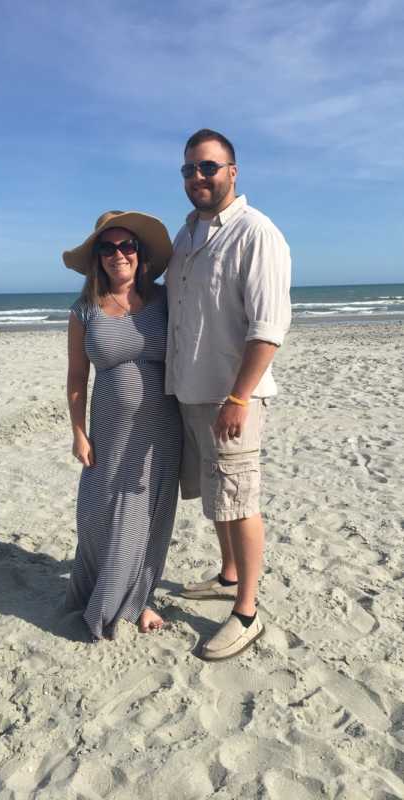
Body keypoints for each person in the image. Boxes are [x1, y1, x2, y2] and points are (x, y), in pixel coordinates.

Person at [165, 129, 291, 660]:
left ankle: (246, 612)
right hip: (189, 393)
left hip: (231, 397)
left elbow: (268, 327)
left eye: (208, 167)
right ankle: (228, 575)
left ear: (232, 171)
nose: (198, 177)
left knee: (241, 502)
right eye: (190, 169)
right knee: (217, 499)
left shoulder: (255, 233)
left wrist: (239, 399)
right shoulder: (187, 233)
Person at [62, 210, 182, 640]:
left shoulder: (166, 300)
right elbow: (78, 378)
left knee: (150, 517)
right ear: (98, 257)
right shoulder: (84, 312)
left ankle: (140, 600)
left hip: (162, 431)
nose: (118, 254)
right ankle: (101, 585)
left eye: (126, 245)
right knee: (98, 514)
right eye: (108, 247)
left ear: (139, 253)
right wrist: (79, 432)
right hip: (109, 431)